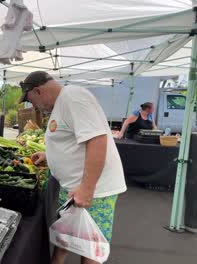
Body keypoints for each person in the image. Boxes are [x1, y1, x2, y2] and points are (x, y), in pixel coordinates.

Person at [18, 71, 127, 264]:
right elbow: (72, 140)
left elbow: (97, 140)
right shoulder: (62, 103)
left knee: (91, 247)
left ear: (38, 91)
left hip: (95, 190)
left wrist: (87, 188)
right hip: (73, 188)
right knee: (68, 236)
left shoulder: (73, 98)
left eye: (30, 99)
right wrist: (48, 156)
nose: (31, 105)